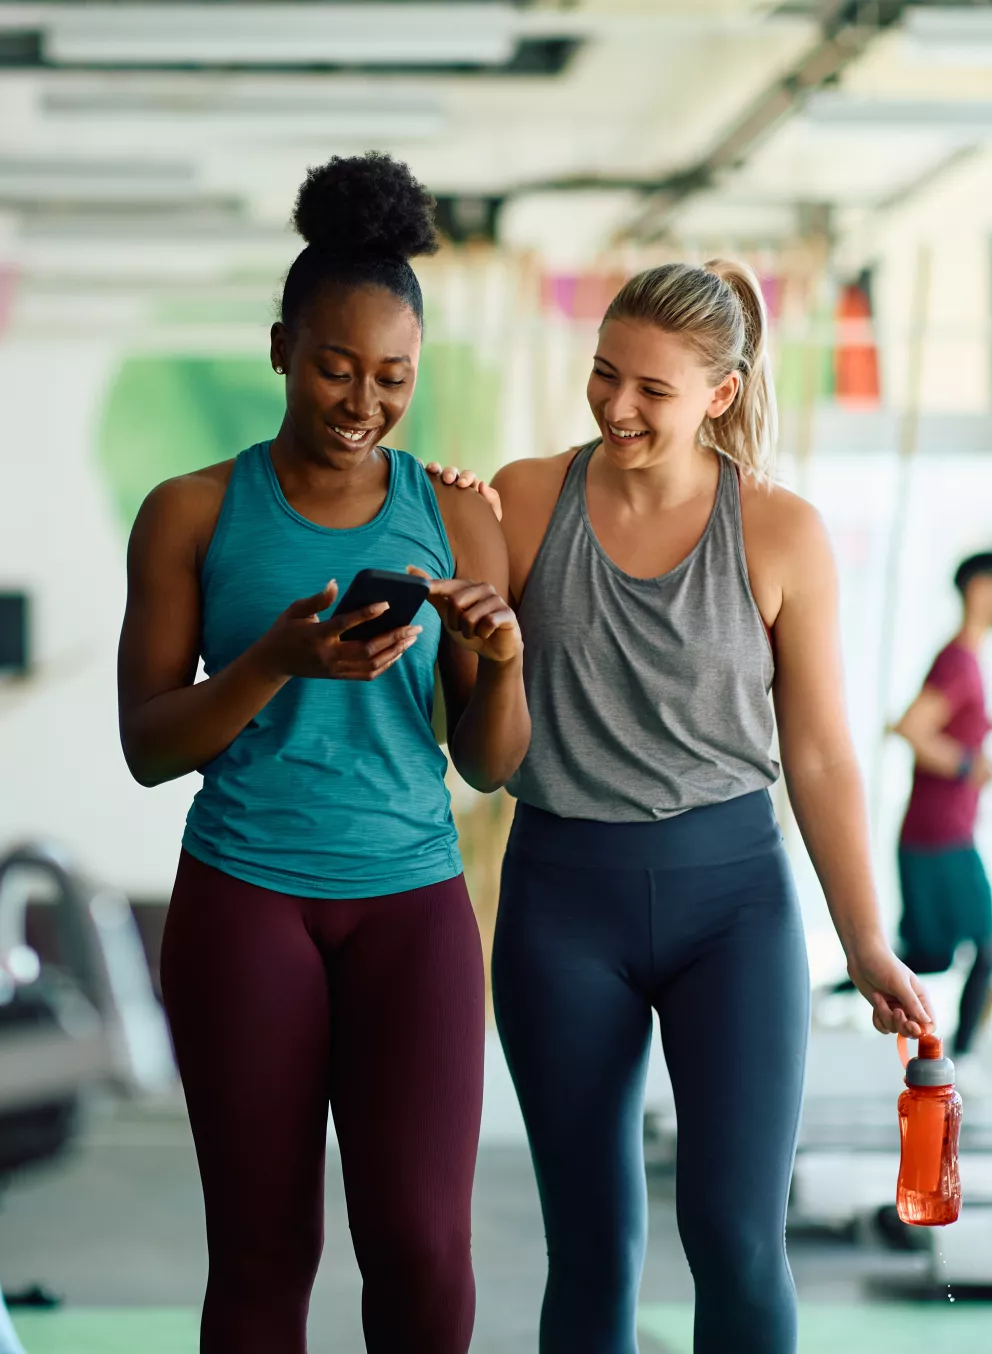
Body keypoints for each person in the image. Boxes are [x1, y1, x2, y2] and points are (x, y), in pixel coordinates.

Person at [427, 259, 932, 1354]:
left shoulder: (779, 531)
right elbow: (476, 748)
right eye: (603, 374)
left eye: (650, 389)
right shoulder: (520, 500)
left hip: (733, 908)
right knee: (593, 1244)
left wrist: (865, 941)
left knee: (734, 1236)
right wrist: (453, 532)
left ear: (717, 392)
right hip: (561, 902)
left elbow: (820, 756)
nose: (615, 405)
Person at [117, 153, 529, 1354]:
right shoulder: (191, 511)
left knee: (418, 1243)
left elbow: (492, 764)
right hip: (245, 897)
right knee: (261, 1247)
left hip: (410, 901)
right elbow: (148, 743)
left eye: (393, 377)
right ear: (281, 348)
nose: (362, 400)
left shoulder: (456, 515)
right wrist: (270, 668)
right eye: (336, 366)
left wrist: (499, 660)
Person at [889, 552, 992, 1090]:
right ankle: (969, 1060)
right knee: (988, 941)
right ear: (978, 588)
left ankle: (821, 996)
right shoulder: (957, 660)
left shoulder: (968, 659)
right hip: (938, 835)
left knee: (929, 954)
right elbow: (910, 727)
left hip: (939, 832)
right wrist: (970, 764)